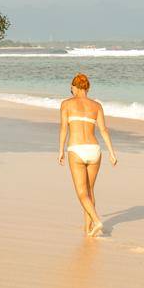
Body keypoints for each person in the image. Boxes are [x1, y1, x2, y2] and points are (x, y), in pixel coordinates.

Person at [58, 72, 117, 236]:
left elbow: (64, 129)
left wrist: (60, 150)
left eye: (71, 89)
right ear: (87, 88)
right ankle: (88, 229)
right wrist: (112, 153)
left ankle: (97, 221)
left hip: (76, 149)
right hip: (94, 150)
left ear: (74, 88)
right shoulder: (96, 106)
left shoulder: (66, 104)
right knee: (90, 191)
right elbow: (104, 130)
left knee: (82, 193)